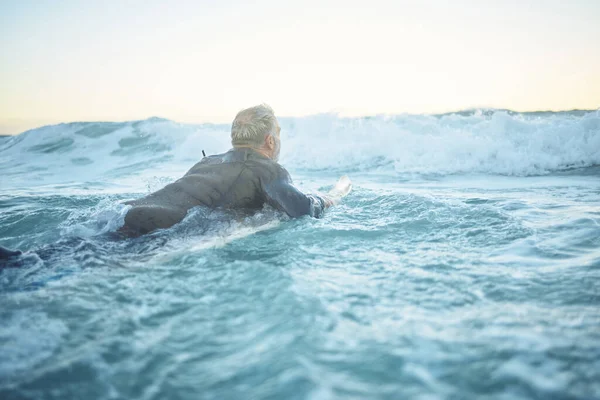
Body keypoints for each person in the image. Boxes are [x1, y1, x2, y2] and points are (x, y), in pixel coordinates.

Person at [118, 104, 351, 237]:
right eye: (278, 134)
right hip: (158, 229)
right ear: (270, 141)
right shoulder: (268, 170)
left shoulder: (207, 163)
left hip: (123, 214)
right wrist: (329, 197)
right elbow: (301, 210)